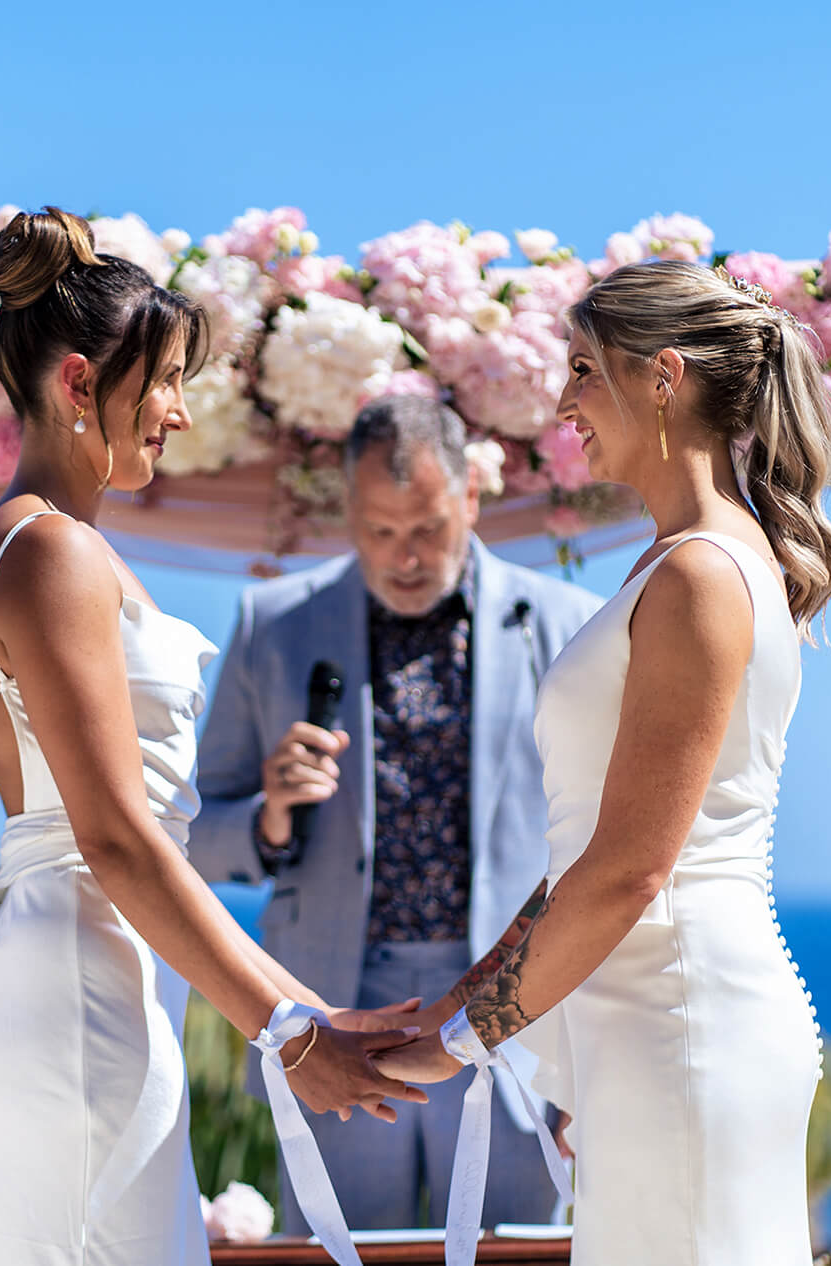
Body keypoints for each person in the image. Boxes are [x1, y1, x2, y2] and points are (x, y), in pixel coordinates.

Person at [0, 207, 423, 1266]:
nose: (178, 413)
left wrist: (310, 1006)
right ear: (81, 384)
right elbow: (121, 839)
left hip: (89, 964)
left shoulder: (45, 543)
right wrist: (285, 1032)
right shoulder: (52, 552)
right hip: (79, 980)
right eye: (167, 378)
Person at [378, 260, 831, 1265]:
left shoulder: (698, 575)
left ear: (662, 377)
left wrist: (465, 1040)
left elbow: (631, 867)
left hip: (676, 1016)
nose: (564, 401)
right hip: (645, 1015)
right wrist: (461, 1006)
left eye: (585, 369)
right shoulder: (681, 561)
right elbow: (585, 857)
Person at [189, 394, 604, 1233]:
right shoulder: (271, 623)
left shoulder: (566, 623)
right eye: (379, 531)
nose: (404, 556)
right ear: (348, 512)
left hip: (510, 997)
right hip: (337, 1005)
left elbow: (601, 839)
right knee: (342, 1250)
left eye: (426, 529)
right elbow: (195, 835)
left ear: (471, 501)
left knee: (518, 1248)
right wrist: (270, 815)